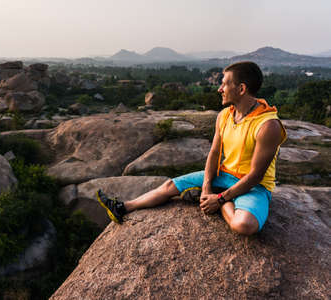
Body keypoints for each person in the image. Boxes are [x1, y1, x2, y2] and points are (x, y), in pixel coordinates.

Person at [97, 61, 286, 236]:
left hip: (254, 187)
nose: (220, 89)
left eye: (225, 84)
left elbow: (255, 176)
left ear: (242, 89)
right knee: (170, 186)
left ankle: (226, 204)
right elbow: (214, 152)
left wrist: (219, 199)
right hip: (225, 175)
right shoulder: (225, 116)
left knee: (244, 226)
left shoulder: (268, 126)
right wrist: (206, 187)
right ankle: (123, 207)